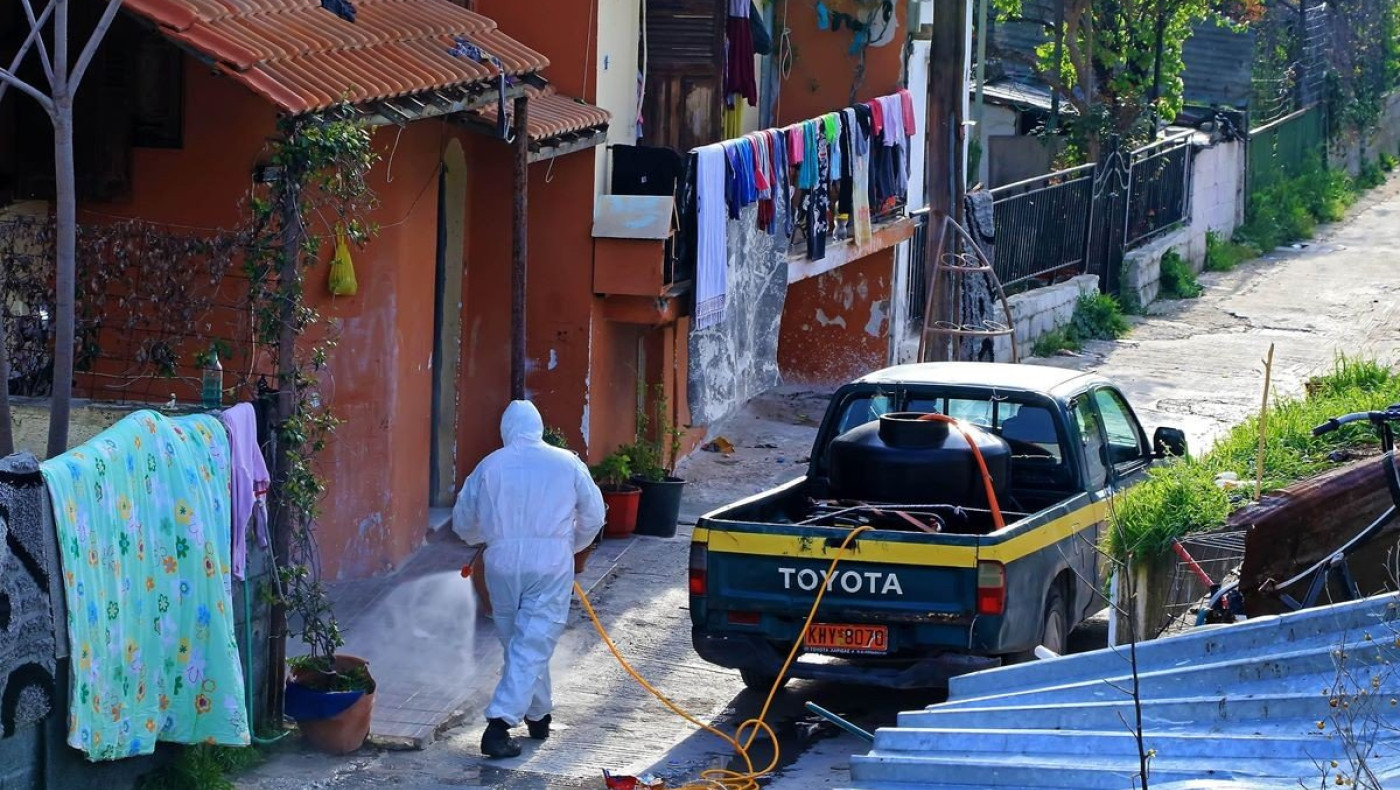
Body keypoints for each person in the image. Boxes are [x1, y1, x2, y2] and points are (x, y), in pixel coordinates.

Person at [451, 400, 606, 759]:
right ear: (539, 427)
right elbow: (594, 515)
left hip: (501, 565)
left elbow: (463, 523)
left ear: (506, 430)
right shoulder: (566, 461)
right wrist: (571, 545)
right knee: (531, 642)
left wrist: (488, 538)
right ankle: (499, 725)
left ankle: (539, 716)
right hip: (550, 563)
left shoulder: (490, 465)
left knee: (520, 643)